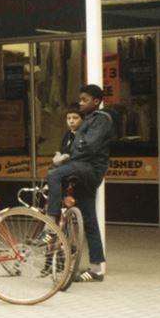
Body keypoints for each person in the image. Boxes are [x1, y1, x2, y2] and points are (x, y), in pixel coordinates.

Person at [46, 85, 114, 281]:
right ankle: (96, 269)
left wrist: (67, 157)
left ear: (96, 101)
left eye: (85, 100)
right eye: (80, 99)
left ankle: (51, 223)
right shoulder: (91, 120)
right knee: (90, 219)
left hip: (88, 169)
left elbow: (89, 146)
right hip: (84, 170)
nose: (81, 103)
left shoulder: (101, 119)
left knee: (54, 175)